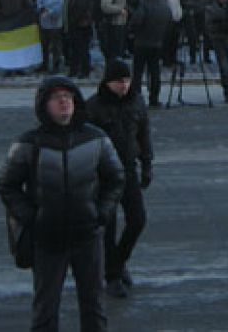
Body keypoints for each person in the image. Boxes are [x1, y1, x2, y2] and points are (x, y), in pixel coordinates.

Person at [0, 76, 125, 332]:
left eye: (68, 97)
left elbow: (116, 178)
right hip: (47, 238)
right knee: (45, 310)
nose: (64, 102)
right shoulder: (29, 143)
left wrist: (101, 213)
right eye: (57, 98)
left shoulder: (95, 139)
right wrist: (32, 217)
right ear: (44, 105)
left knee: (94, 308)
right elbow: (7, 185)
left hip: (87, 235)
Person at [86, 60, 153, 299]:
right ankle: (112, 276)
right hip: (103, 174)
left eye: (127, 80)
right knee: (108, 225)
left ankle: (117, 263)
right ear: (107, 82)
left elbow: (144, 134)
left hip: (128, 169)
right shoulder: (93, 107)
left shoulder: (136, 101)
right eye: (119, 81)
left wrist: (147, 164)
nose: (124, 86)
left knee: (137, 220)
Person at [130, 0, 172, 108]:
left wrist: (132, 32)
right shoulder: (165, 7)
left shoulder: (145, 5)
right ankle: (154, 98)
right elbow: (170, 25)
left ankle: (136, 98)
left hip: (142, 43)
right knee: (155, 72)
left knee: (138, 72)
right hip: (158, 43)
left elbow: (136, 21)